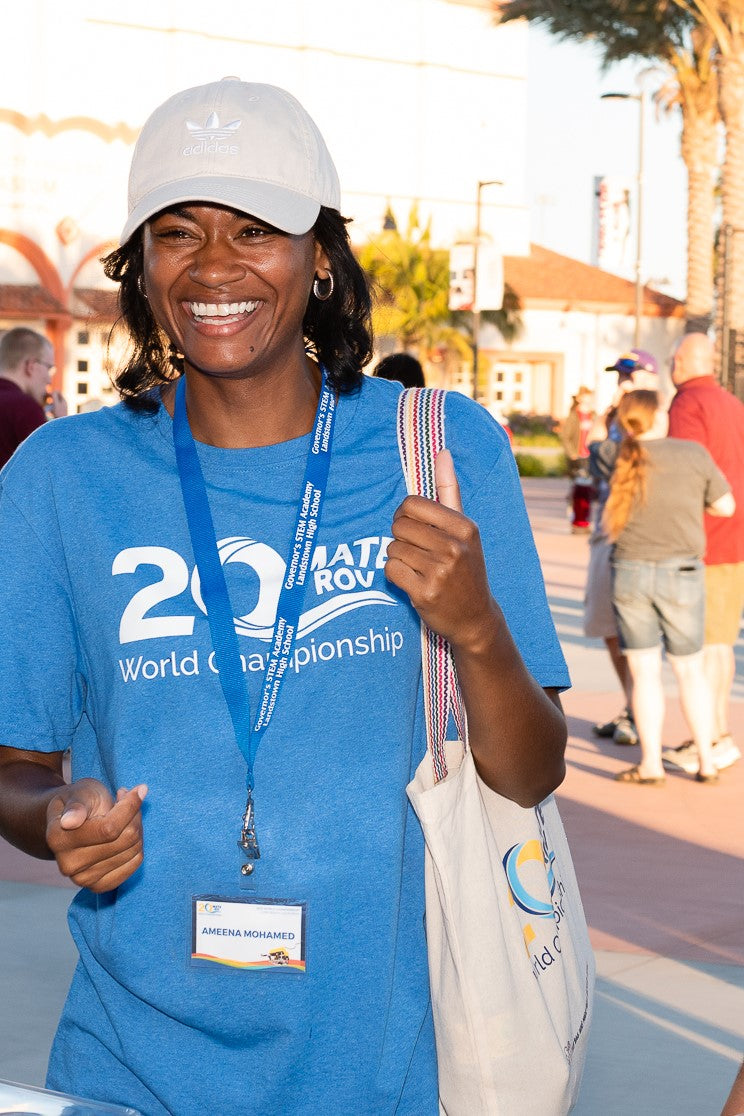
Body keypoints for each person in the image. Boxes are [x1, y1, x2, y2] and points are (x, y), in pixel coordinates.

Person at [0, 78, 569, 1115]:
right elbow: (16, 771)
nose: (215, 266)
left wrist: (480, 632)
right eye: (178, 233)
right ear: (142, 267)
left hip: (392, 1069)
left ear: (320, 258)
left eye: (256, 230)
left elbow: (531, 770)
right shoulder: (59, 479)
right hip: (132, 1067)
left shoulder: (440, 453)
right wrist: (56, 815)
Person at [603, 390, 734, 785]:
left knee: (644, 673)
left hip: (630, 572)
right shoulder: (692, 454)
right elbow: (725, 506)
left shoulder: (613, 455)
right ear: (658, 416)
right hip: (682, 573)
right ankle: (707, 762)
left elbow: (599, 444)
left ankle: (651, 765)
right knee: (690, 671)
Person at [662, 332, 744, 774]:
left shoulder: (687, 404)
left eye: (675, 359)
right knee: (721, 643)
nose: (672, 367)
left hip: (704, 538)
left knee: (703, 647)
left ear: (685, 361)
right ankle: (718, 732)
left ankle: (711, 738)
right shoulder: (733, 404)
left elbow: (684, 466)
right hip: (735, 536)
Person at [585, 349, 659, 747]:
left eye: (630, 375)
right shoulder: (614, 418)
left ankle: (637, 712)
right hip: (605, 528)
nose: (622, 381)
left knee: (634, 632)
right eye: (619, 374)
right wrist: (607, 414)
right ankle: (631, 705)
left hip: (636, 537)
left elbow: (604, 456)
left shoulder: (657, 422)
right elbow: (594, 457)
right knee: (608, 628)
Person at [0, 327, 67, 468]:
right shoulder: (24, 408)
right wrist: (61, 423)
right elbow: (53, 467)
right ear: (30, 366)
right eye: (49, 368)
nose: (49, 380)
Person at [560, 385, 595, 533]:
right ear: (580, 398)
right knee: (579, 489)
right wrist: (572, 453)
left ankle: (585, 521)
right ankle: (577, 521)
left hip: (591, 457)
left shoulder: (594, 415)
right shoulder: (574, 415)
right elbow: (565, 436)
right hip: (578, 457)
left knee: (589, 491)